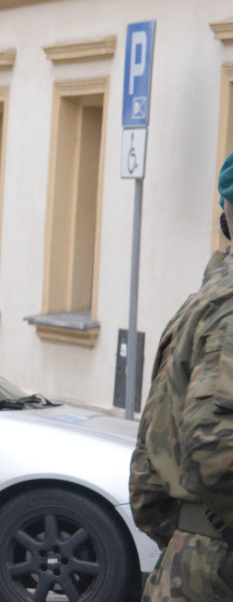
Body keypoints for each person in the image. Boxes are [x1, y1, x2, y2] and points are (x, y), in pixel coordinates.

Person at [131, 152, 233, 600]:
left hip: (196, 559)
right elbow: (213, 444)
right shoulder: (228, 309)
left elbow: (146, 483)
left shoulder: (206, 300)